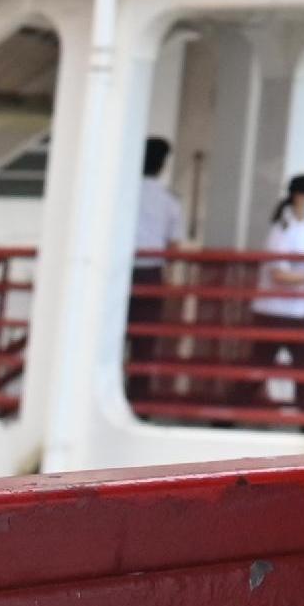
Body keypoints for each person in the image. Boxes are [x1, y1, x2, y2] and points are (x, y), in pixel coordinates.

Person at [252, 173, 304, 431]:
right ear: (299, 196)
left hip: (297, 312)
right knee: (256, 370)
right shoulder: (281, 230)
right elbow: (279, 273)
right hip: (274, 313)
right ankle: (226, 416)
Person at [126, 136, 186, 407]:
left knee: (107, 338)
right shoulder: (169, 201)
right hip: (151, 274)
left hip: (117, 272)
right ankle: (138, 402)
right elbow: (173, 246)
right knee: (144, 343)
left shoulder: (121, 191)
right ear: (162, 165)